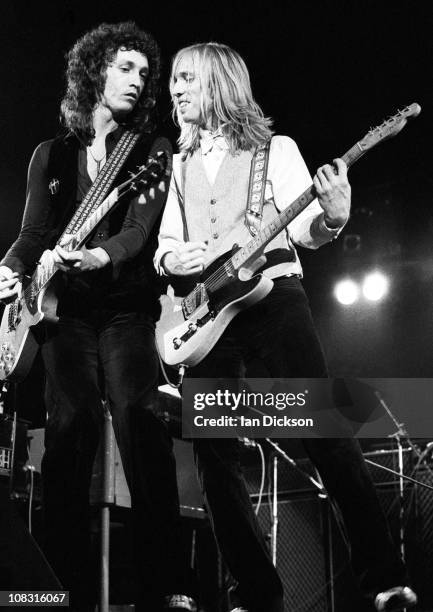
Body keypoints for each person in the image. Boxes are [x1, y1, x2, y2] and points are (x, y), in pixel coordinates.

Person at [154, 42, 417, 612]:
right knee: (212, 449)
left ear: (220, 82)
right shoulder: (179, 164)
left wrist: (336, 216)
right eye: (173, 80)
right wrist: (175, 261)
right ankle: (256, 591)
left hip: (276, 298)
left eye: (186, 78)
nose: (173, 89)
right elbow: (166, 247)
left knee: (324, 427)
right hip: (207, 318)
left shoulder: (276, 150)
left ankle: (384, 580)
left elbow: (306, 232)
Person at [0, 22, 195, 612]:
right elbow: (33, 235)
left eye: (144, 72)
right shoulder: (51, 154)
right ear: (94, 73)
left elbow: (139, 231)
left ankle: (168, 587)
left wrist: (96, 254)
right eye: (124, 68)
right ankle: (61, 591)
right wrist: (9, 270)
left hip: (126, 310)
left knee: (141, 418)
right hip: (64, 316)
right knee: (69, 428)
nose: (137, 81)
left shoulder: (152, 148)